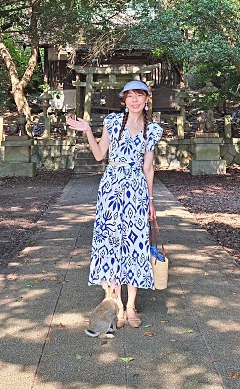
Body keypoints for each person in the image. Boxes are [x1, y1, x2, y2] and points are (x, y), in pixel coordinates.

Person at [66, 79, 162, 328]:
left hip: (137, 189)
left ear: (146, 99)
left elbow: (148, 167)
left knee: (135, 243)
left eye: (139, 95)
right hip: (111, 188)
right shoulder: (112, 122)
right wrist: (88, 130)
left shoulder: (152, 129)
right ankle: (115, 304)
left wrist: (150, 200)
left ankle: (131, 306)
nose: (134, 100)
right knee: (111, 242)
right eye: (129, 96)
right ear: (124, 100)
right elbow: (99, 155)